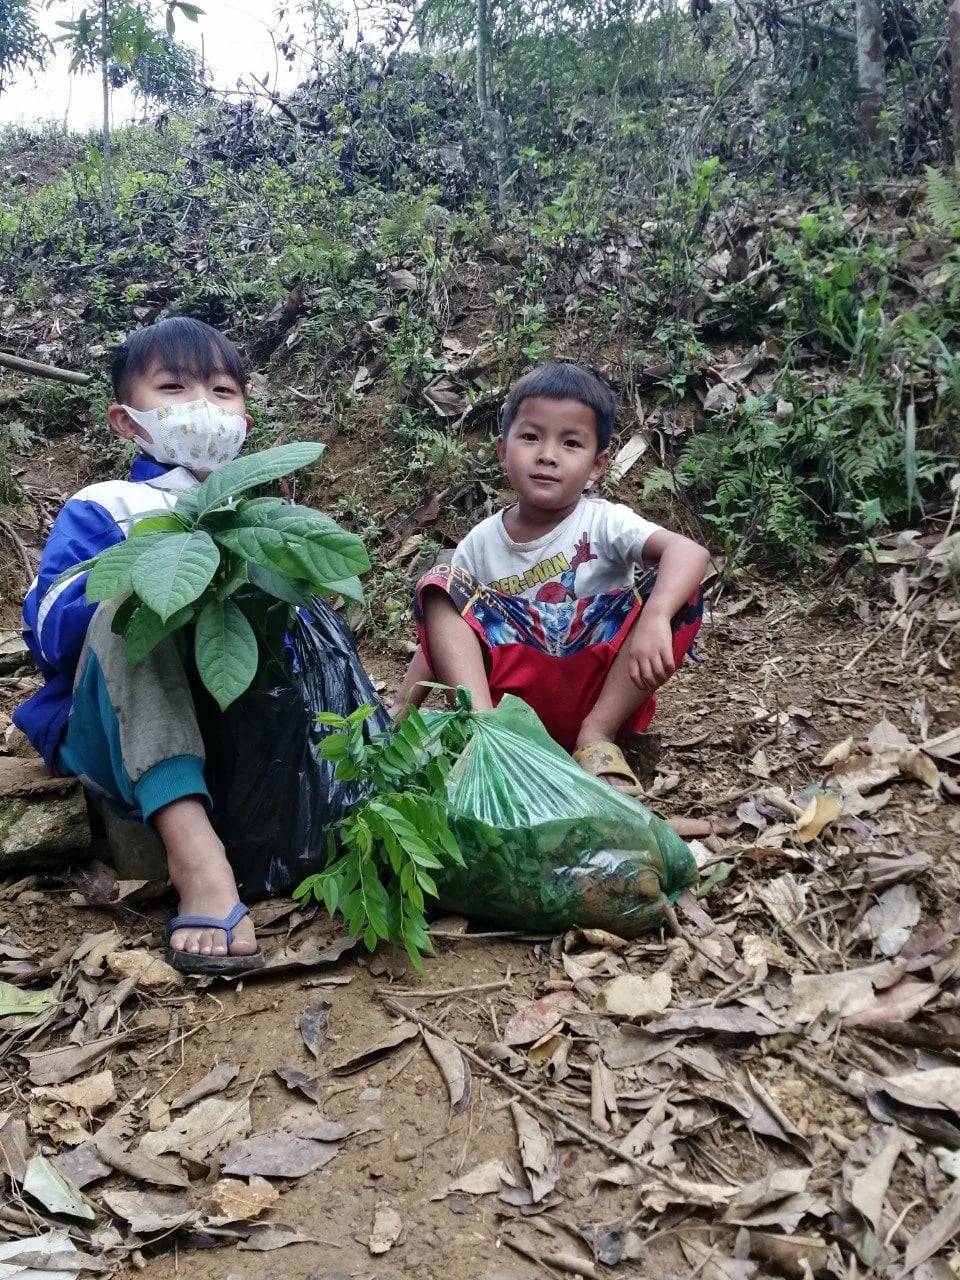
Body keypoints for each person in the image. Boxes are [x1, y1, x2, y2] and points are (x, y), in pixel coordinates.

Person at [13, 317, 263, 975]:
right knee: (138, 601)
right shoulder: (105, 506)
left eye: (222, 390)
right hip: (109, 728)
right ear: (126, 422)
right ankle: (197, 858)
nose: (203, 408)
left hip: (225, 721)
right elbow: (47, 634)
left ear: (246, 414)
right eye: (174, 388)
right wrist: (150, 567)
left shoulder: (256, 508)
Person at [392, 362, 710, 793]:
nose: (547, 454)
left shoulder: (604, 523)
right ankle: (489, 739)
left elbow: (689, 552)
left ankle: (596, 739)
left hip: (594, 695)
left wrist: (655, 615)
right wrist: (399, 713)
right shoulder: (481, 543)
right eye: (531, 437)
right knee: (441, 585)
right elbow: (441, 636)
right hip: (507, 706)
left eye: (571, 443)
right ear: (504, 450)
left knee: (676, 588)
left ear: (597, 465)